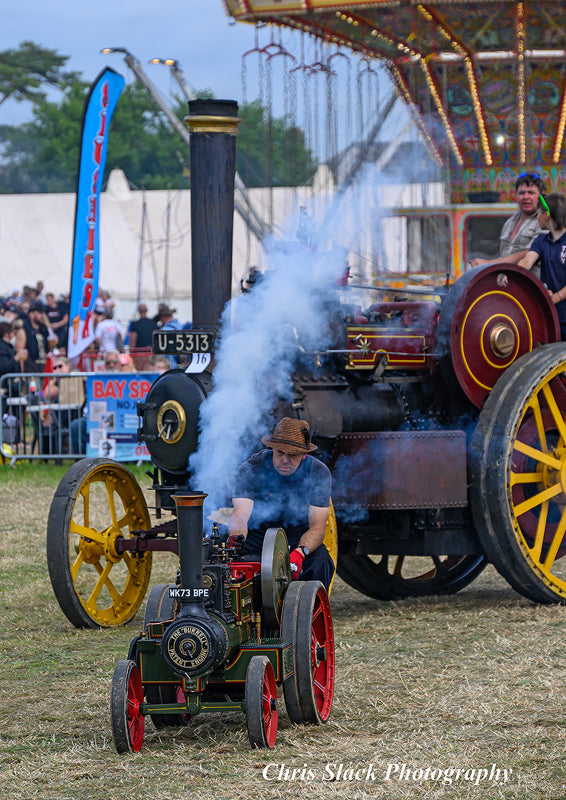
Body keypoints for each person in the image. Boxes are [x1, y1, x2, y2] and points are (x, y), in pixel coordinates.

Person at [229, 417, 335, 591]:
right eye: (280, 453)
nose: (285, 460)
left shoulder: (318, 472)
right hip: (256, 535)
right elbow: (240, 516)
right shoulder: (251, 468)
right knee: (217, 553)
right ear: (272, 449)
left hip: (297, 537)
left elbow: (317, 528)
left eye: (292, 455)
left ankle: (307, 611)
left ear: (304, 454)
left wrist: (301, 553)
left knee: (321, 559)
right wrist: (236, 540)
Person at [470, 172, 547, 270]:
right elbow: (504, 257)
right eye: (521, 193)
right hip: (509, 283)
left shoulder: (545, 221)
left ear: (541, 196)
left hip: (531, 283)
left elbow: (531, 252)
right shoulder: (510, 222)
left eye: (531, 193)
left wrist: (488, 263)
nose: (526, 197)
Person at [519, 192, 566, 340]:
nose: (536, 219)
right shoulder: (541, 241)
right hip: (550, 316)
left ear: (546, 216)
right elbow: (527, 261)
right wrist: (512, 273)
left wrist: (557, 297)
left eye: (538, 214)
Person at [14, 300, 50, 371]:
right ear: (31, 314)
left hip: (42, 369)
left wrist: (52, 345)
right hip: (30, 371)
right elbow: (20, 354)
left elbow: (45, 351)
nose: (43, 316)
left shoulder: (43, 329)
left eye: (43, 313)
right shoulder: (23, 331)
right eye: (40, 313)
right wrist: (22, 375)